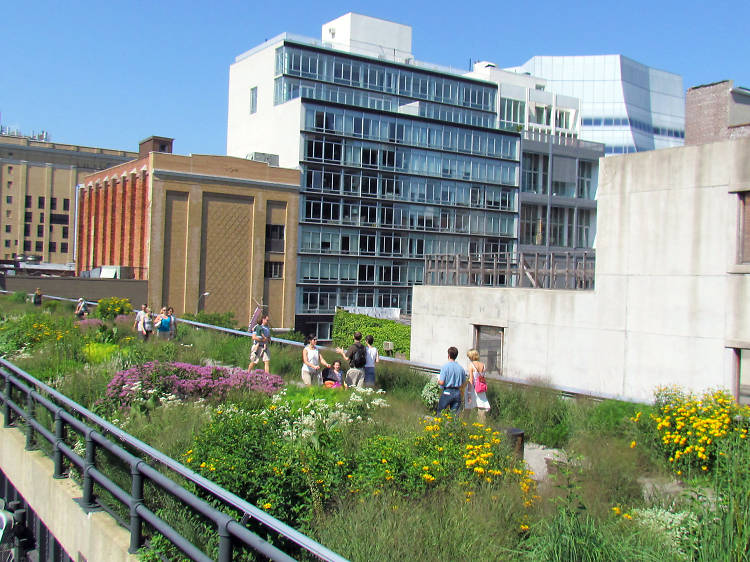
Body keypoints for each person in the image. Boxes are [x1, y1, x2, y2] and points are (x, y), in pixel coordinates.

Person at [436, 346, 466, 415]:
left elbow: (442, 382)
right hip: (457, 392)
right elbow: (464, 382)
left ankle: (439, 425)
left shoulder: (445, 366)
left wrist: (437, 380)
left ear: (448, 355)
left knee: (440, 413)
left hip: (447, 391)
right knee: (454, 416)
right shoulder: (461, 368)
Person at [466, 349, 491, 421]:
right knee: (481, 408)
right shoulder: (483, 365)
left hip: (473, 388)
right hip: (480, 388)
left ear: (471, 356)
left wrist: (469, 393)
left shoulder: (471, 365)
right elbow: (483, 377)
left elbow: (471, 379)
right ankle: (481, 426)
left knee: (468, 407)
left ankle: (465, 423)